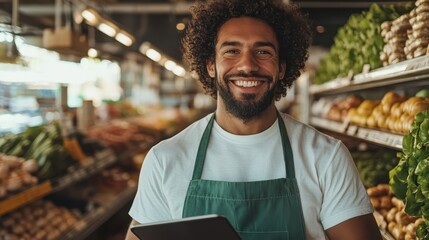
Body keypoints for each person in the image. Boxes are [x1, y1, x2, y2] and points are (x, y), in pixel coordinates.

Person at [125, 0, 382, 239]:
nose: (247, 65)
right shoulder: (165, 160)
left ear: (282, 68)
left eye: (263, 52)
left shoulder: (326, 158)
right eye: (231, 51)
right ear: (210, 66)